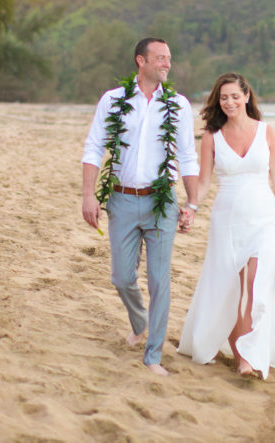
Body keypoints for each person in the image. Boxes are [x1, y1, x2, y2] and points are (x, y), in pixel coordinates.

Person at [81, 37, 200, 376]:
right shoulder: (114, 100)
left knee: (160, 280)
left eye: (169, 58)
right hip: (120, 198)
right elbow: (93, 148)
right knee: (121, 277)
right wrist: (89, 195)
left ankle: (153, 355)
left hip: (162, 202)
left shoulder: (178, 105)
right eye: (160, 58)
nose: (167, 64)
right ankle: (140, 321)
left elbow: (187, 157)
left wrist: (192, 203)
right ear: (141, 61)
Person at [177, 72, 275, 379]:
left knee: (255, 286)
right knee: (232, 287)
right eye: (223, 97)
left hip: (264, 219)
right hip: (228, 220)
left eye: (235, 96)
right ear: (218, 102)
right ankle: (238, 353)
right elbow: (204, 182)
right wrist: (191, 207)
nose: (229, 101)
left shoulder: (266, 131)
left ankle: (247, 356)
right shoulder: (211, 136)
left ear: (247, 96)